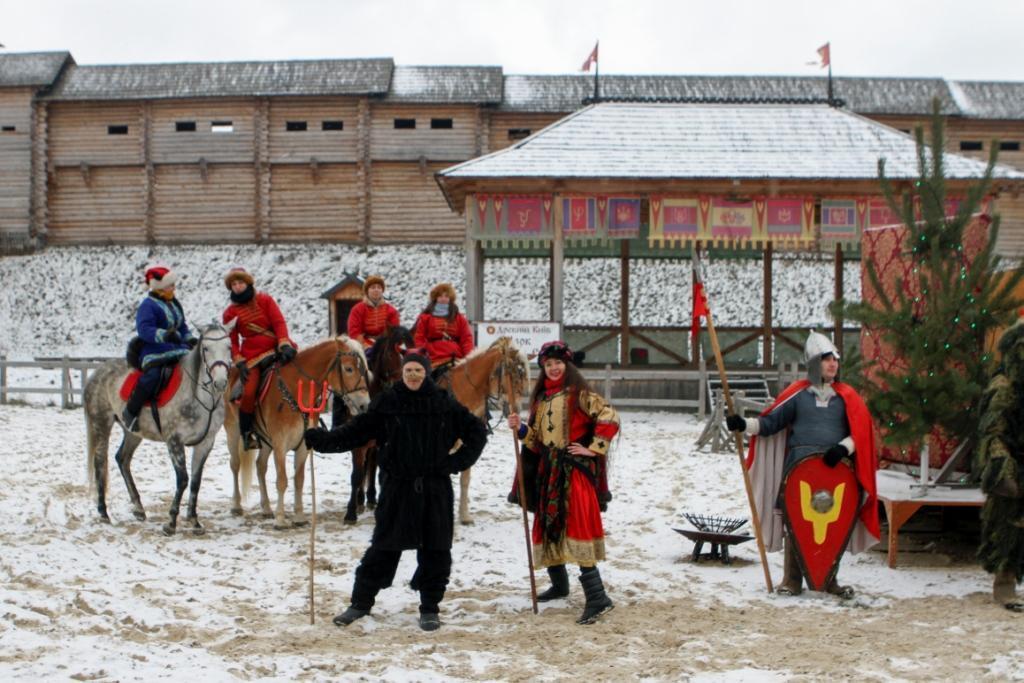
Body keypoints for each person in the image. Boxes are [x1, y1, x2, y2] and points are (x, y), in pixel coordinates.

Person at [303, 351, 487, 632]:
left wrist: (454, 463)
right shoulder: (388, 401)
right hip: (397, 488)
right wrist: (323, 441)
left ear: (426, 373)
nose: (413, 375)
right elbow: (358, 431)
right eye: (409, 370)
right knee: (383, 548)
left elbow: (476, 432)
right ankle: (360, 603)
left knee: (436, 551)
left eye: (418, 371)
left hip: (434, 489)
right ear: (402, 373)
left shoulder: (443, 402)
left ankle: (429, 609)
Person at [726, 330, 879, 598]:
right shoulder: (796, 395)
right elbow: (770, 423)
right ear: (813, 363)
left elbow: (862, 433)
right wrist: (743, 424)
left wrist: (844, 448)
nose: (833, 363)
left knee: (834, 523)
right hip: (799, 470)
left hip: (836, 470)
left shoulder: (847, 397)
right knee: (797, 522)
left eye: (835, 359)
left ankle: (829, 580)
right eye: (826, 358)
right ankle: (792, 580)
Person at [507, 340, 620, 625]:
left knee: (577, 526)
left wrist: (593, 448)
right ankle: (559, 585)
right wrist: (520, 429)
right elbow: (535, 441)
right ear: (543, 369)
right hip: (549, 473)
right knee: (548, 525)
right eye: (548, 365)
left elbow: (610, 416)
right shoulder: (542, 400)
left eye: (558, 363)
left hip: (573, 474)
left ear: (567, 365)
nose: (554, 368)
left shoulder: (580, 394)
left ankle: (598, 598)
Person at [975, 317, 1024, 612]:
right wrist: (1002, 469)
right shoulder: (1003, 386)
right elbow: (992, 431)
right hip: (1012, 464)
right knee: (1008, 528)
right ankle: (1004, 586)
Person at [221, 266, 297, 449]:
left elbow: (278, 322)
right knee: (248, 392)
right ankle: (247, 433)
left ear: (248, 283)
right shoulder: (230, 313)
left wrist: (284, 343)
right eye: (234, 284)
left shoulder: (265, 300)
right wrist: (238, 360)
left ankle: (308, 418)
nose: (237, 287)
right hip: (252, 355)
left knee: (300, 373)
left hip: (275, 347)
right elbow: (231, 339)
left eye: (240, 282)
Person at [122, 265, 197, 432]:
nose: (173, 288)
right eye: (170, 285)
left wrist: (189, 338)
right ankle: (131, 412)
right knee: (153, 377)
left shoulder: (173, 303)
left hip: (179, 349)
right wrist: (165, 335)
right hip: (155, 351)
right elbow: (144, 329)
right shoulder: (147, 305)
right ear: (160, 287)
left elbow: (182, 326)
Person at [413, 282, 474, 371]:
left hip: (455, 355)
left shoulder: (459, 318)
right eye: (440, 296)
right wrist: (423, 355)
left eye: (446, 296)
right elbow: (419, 338)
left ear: (450, 298)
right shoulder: (425, 317)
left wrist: (469, 358)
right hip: (433, 355)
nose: (443, 299)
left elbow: (466, 339)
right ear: (435, 298)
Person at [347, 275, 400, 351]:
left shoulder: (391, 310)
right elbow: (354, 331)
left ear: (382, 290)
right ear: (367, 291)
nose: (376, 290)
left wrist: (389, 344)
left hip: (386, 345)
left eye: (379, 287)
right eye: (373, 287)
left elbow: (395, 331)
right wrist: (364, 344)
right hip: (364, 345)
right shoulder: (357, 309)